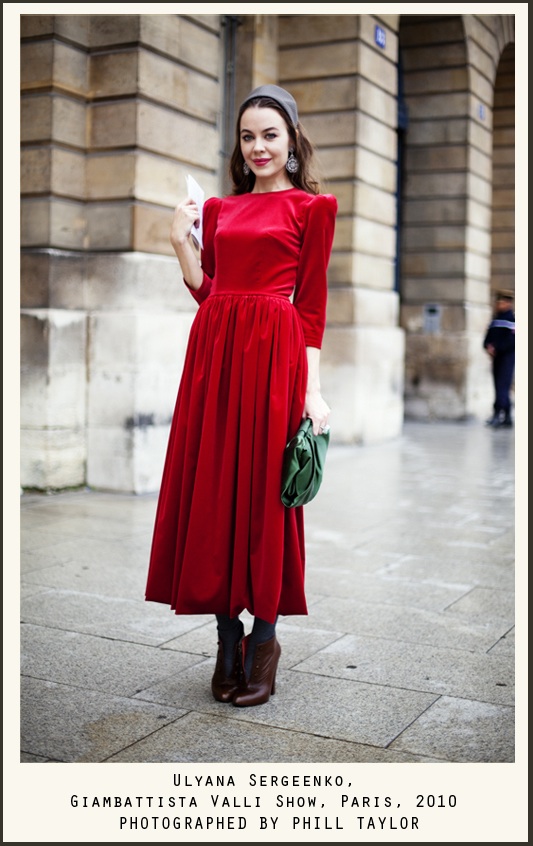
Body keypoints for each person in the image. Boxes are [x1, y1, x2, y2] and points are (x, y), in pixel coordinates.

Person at [145, 84, 338, 707]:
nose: (258, 147)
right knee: (214, 493)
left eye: (270, 135)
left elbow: (309, 309)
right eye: (248, 136)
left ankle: (265, 642)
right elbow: (210, 293)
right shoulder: (221, 212)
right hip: (215, 358)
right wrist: (183, 244)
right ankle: (226, 639)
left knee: (262, 496)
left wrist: (313, 391)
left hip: (275, 361)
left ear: (292, 141)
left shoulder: (313, 209)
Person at [483, 289, 515, 427]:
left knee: (503, 386)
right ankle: (507, 416)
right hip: (496, 358)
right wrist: (487, 346)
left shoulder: (512, 320)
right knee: (499, 386)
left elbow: (512, 342)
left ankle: (498, 414)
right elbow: (488, 337)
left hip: (507, 358)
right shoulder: (496, 319)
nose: (498, 304)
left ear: (507, 303)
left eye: (501, 302)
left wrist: (497, 348)